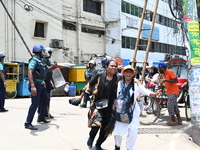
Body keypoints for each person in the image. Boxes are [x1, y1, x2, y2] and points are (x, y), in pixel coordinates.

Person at [113, 65, 161, 150]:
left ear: (133, 74)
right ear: (123, 73)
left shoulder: (136, 85)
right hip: (120, 111)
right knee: (117, 132)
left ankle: (129, 148)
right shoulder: (118, 84)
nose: (128, 74)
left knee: (133, 133)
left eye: (130, 72)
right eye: (126, 72)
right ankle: (117, 147)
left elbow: (147, 92)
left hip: (132, 113)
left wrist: (156, 93)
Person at [85, 59, 122, 150]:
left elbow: (129, 81)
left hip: (111, 108)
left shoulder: (119, 78)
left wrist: (135, 81)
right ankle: (91, 137)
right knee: (96, 124)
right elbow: (89, 84)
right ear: (106, 67)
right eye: (111, 66)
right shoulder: (99, 76)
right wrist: (81, 97)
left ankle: (98, 144)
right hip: (98, 105)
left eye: (115, 66)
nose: (114, 68)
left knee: (106, 128)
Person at [24, 44, 57, 130]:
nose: (44, 53)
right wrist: (32, 86)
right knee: (34, 104)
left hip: (41, 85)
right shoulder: (34, 61)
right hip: (35, 85)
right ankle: (28, 123)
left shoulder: (41, 61)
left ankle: (41, 117)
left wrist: (54, 67)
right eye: (43, 51)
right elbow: (30, 73)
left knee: (46, 99)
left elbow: (48, 69)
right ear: (39, 52)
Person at [38, 47, 55, 118]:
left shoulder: (48, 62)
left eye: (51, 53)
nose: (50, 54)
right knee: (42, 98)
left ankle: (46, 112)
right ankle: (41, 113)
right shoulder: (42, 61)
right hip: (43, 81)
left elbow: (50, 72)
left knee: (47, 98)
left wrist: (51, 81)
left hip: (48, 81)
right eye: (49, 52)